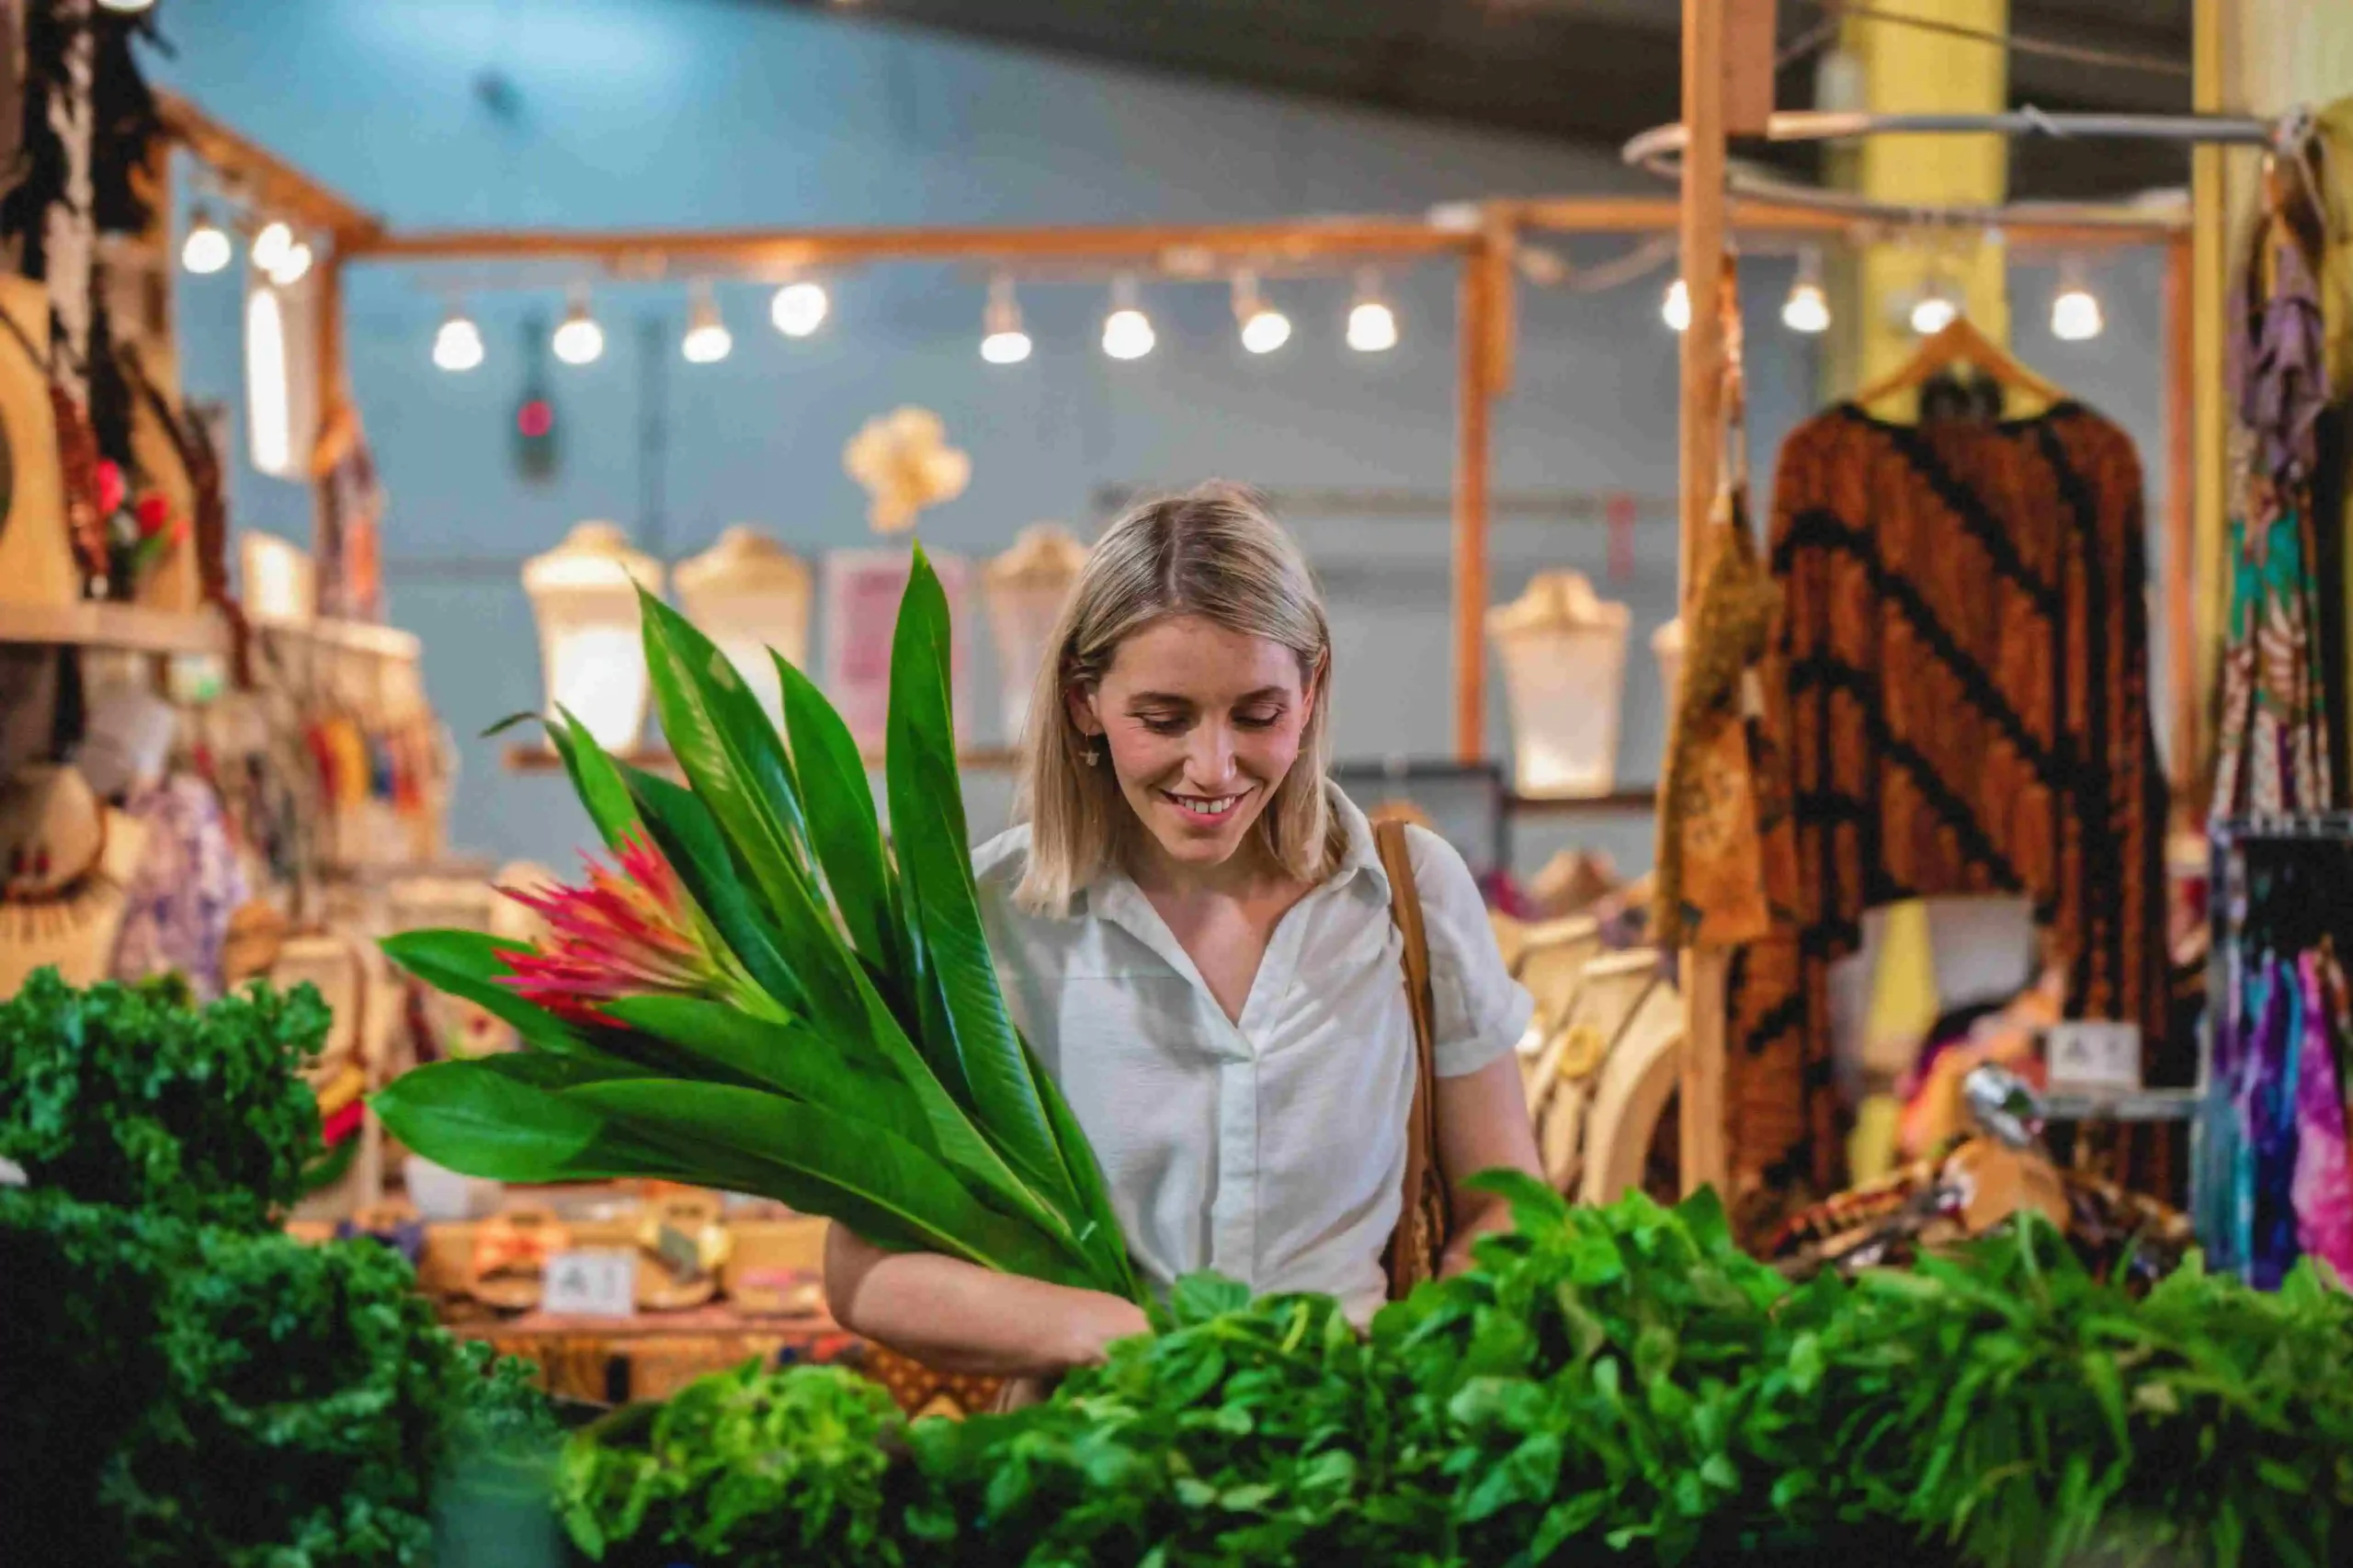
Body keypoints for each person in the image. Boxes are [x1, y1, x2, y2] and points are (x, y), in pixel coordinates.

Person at [825, 484, 1542, 1377]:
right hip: (1093, 1453)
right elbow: (863, 1268)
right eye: (1162, 719)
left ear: (1310, 688)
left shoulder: (1409, 895)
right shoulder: (984, 919)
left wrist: (1432, 1343)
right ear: (1085, 700)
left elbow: (1506, 1200)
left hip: (1356, 1448)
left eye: (1258, 714)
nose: (1212, 766)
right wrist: (1110, 1334)